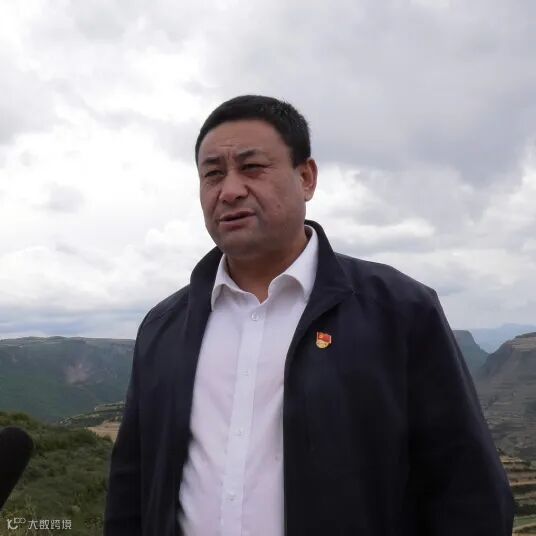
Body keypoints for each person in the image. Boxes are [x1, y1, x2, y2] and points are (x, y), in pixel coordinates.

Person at [104, 95, 514, 535]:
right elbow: (131, 486)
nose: (230, 190)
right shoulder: (165, 327)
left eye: (252, 167)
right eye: (213, 174)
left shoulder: (399, 310)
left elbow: (468, 490)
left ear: (306, 178)